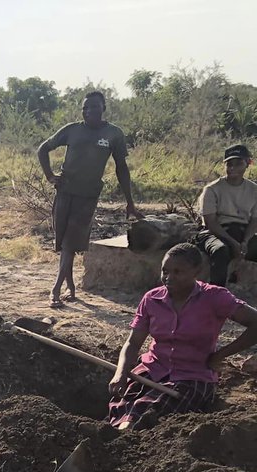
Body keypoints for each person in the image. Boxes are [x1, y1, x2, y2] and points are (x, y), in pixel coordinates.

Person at [108, 243, 257, 430]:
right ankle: (116, 436)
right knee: (122, 403)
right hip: (153, 369)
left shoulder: (215, 297)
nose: (169, 278)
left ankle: (125, 436)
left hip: (193, 376)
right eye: (165, 271)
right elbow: (133, 342)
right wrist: (120, 374)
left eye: (178, 272)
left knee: (147, 410)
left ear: (197, 271)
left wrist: (219, 356)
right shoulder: (151, 299)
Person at [38, 90, 141, 308]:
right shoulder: (72, 130)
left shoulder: (113, 134)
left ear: (103, 108)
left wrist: (129, 202)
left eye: (94, 106)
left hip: (88, 196)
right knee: (65, 242)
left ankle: (56, 289)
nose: (89, 111)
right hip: (64, 191)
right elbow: (43, 149)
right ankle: (71, 286)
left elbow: (121, 168)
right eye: (85, 107)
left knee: (69, 244)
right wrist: (49, 175)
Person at [195, 144, 257, 287]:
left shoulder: (254, 190)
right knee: (221, 251)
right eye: (229, 164)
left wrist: (245, 242)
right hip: (217, 232)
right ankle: (217, 295)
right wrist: (233, 243)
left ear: (248, 163)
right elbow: (210, 222)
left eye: (238, 163)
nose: (232, 168)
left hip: (242, 232)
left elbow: (254, 220)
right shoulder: (212, 189)